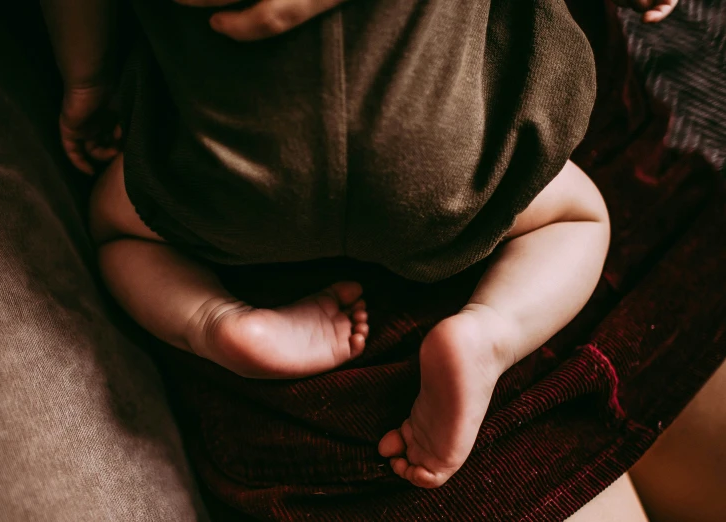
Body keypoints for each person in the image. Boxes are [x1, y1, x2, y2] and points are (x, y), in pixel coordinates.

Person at [40, 0, 677, 491]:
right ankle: (489, 333)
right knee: (578, 219)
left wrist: (87, 83)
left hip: (235, 184)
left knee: (115, 227)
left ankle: (219, 323)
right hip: (439, 161)